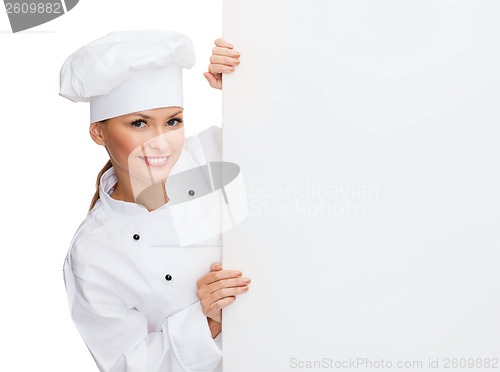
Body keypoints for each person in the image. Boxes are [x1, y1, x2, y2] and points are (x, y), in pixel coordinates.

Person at [59, 30, 249, 372]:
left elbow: (298, 149)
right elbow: (128, 364)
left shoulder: (216, 155)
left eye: (173, 121)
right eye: (139, 123)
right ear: (98, 131)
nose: (161, 143)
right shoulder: (92, 253)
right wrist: (207, 322)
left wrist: (245, 90)